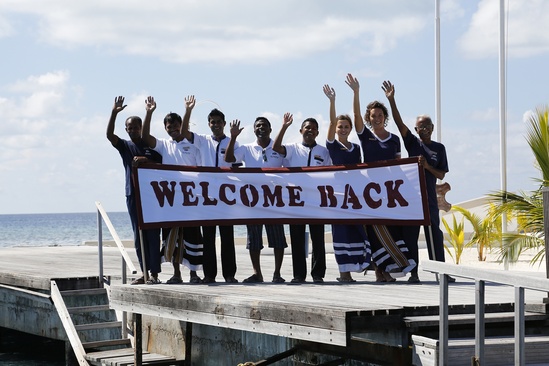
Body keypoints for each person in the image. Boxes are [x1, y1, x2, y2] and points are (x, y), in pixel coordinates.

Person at [345, 73, 416, 282]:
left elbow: (398, 165)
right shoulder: (366, 136)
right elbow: (356, 116)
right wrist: (356, 92)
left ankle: (390, 268)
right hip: (371, 191)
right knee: (374, 231)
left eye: (379, 115)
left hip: (391, 192)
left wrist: (408, 187)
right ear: (369, 118)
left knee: (392, 230)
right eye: (372, 116)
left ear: (385, 117)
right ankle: (379, 271)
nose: (376, 119)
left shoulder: (394, 139)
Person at [382, 80, 452, 283]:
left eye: (428, 127)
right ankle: (414, 273)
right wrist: (391, 100)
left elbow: (441, 175)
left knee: (434, 237)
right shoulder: (412, 143)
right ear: (416, 129)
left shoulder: (439, 148)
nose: (425, 130)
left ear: (433, 127)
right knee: (411, 238)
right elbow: (398, 123)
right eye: (421, 127)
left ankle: (442, 274)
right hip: (412, 200)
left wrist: (427, 166)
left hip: (430, 200)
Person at [141, 96, 203, 284]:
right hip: (170, 198)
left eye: (176, 125)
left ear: (181, 125)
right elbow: (145, 137)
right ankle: (176, 274)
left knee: (193, 235)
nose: (173, 129)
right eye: (169, 126)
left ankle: (194, 274)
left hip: (191, 196)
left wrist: (188, 110)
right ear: (166, 128)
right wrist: (149, 112)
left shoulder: (193, 143)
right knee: (171, 236)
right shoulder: (164, 145)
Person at [179, 98, 239, 284]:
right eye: (212, 122)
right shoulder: (202, 141)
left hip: (226, 197)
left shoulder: (233, 142)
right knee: (209, 237)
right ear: (209, 124)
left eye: (219, 122)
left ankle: (230, 275)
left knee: (227, 237)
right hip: (206, 197)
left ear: (224, 123)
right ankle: (209, 274)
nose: (215, 125)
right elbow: (183, 134)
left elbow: (236, 166)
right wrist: (188, 110)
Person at [106, 96, 162, 285]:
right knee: (139, 235)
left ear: (141, 128)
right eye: (129, 128)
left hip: (152, 195)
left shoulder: (151, 144)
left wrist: (146, 161)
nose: (133, 131)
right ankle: (145, 272)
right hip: (132, 194)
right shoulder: (125, 146)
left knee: (153, 233)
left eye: (136, 127)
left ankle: (154, 273)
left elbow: (161, 164)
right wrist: (114, 113)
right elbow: (109, 136)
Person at [224, 117, 287, 284]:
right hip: (252, 200)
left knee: (278, 238)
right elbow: (229, 159)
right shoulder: (246, 148)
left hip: (274, 199)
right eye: (258, 126)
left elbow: (291, 167)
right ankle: (256, 273)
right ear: (254, 130)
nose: (261, 128)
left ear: (270, 129)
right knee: (254, 238)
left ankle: (277, 273)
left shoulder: (279, 148)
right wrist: (233, 137)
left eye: (264, 125)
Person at [272, 113, 331, 283]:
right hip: (295, 202)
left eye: (313, 129)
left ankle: (318, 274)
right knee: (297, 239)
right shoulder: (292, 148)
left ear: (317, 133)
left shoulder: (323, 152)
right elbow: (276, 147)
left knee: (318, 239)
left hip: (316, 202)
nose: (310, 131)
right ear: (301, 130)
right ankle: (298, 275)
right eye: (307, 128)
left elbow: (330, 174)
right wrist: (284, 126)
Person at [322, 84, 371, 282]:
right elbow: (332, 121)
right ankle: (344, 274)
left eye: (345, 126)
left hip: (354, 197)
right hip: (338, 197)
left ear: (350, 129)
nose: (342, 129)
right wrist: (332, 101)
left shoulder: (356, 148)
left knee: (356, 231)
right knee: (341, 233)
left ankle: (359, 266)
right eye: (339, 126)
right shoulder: (332, 146)